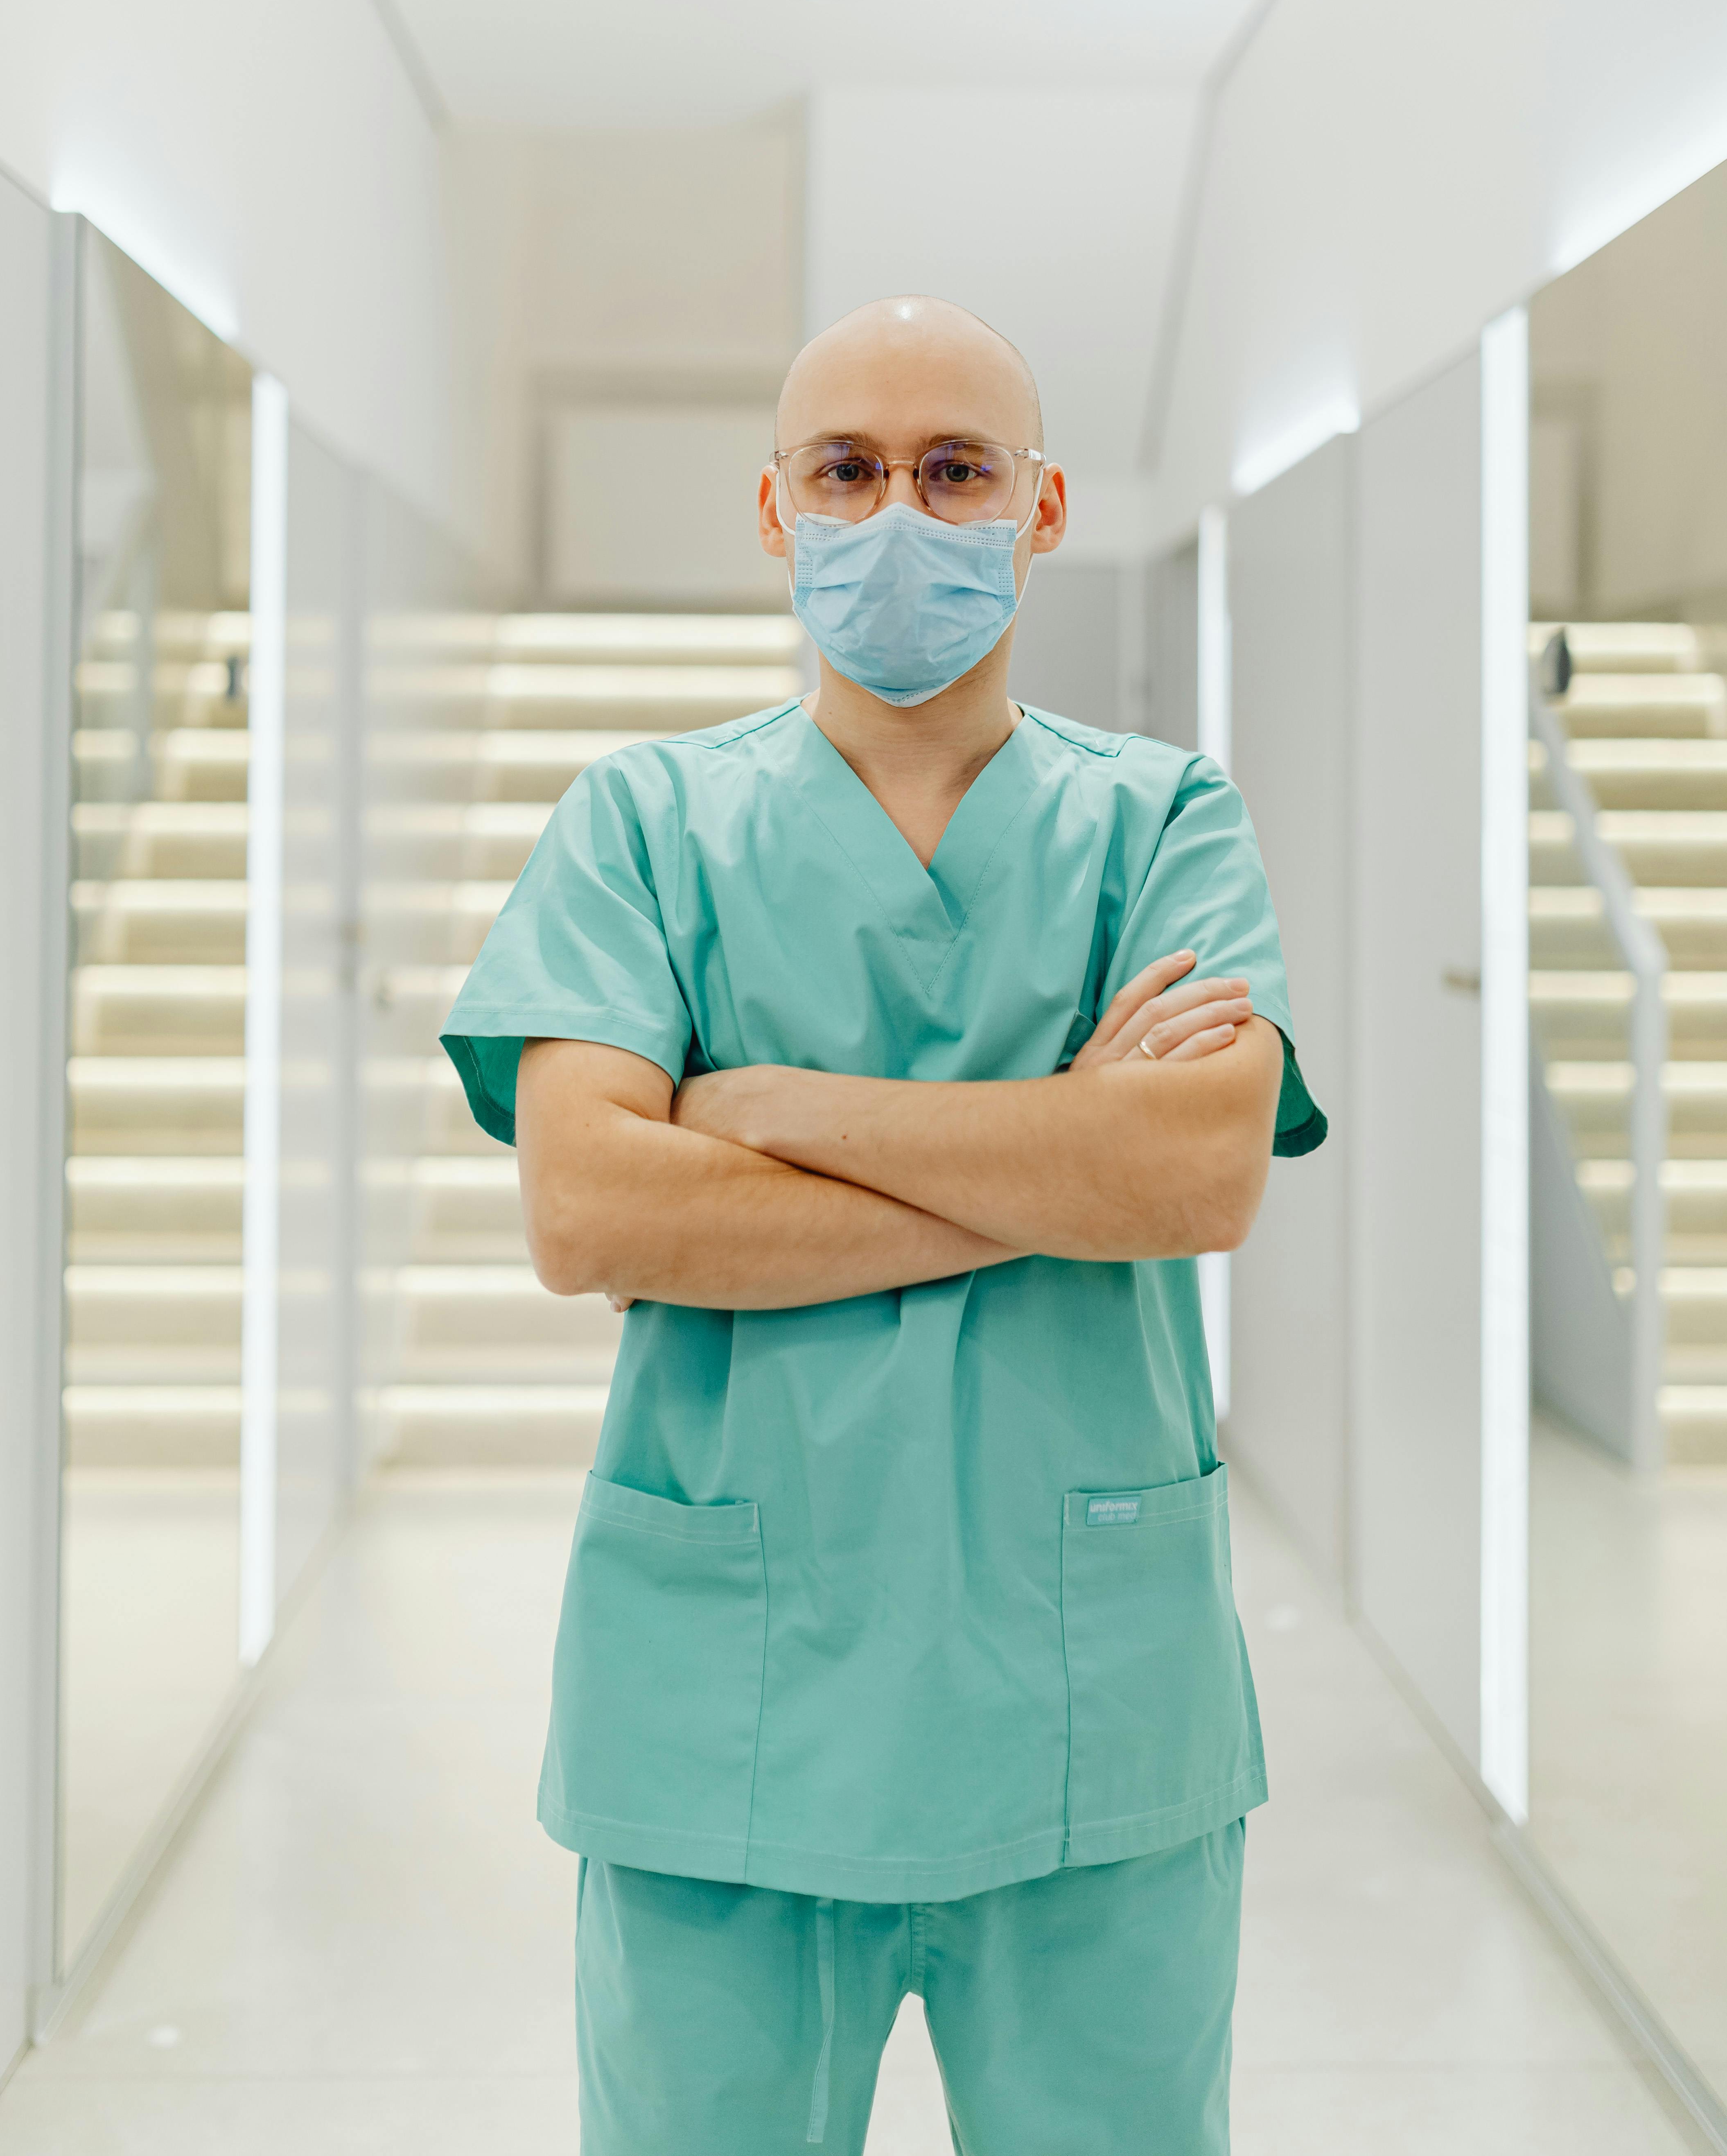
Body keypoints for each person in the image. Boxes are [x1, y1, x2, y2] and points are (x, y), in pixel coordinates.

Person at [441, 296, 1326, 2155]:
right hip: (725, 1720)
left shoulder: (1161, 819)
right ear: (773, 511)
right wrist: (1051, 1149)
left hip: (1090, 1716)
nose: (897, 516)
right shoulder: (644, 825)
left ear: (1044, 504)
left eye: (953, 470)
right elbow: (589, 1204)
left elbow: (1192, 1177)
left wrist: (763, 1112)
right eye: (845, 471)